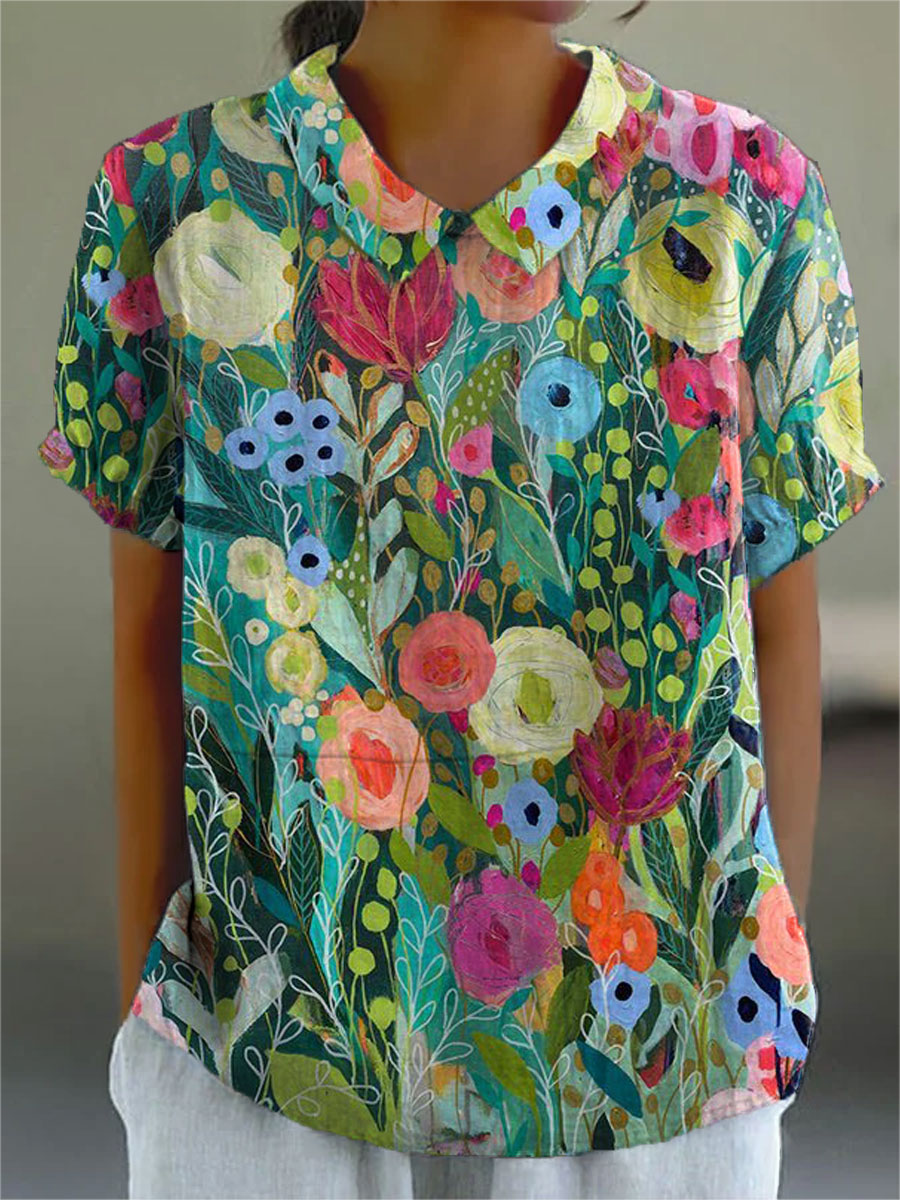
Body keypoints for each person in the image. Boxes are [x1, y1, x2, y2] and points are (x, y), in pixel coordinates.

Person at [36, 1, 884, 1198]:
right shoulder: (175, 203)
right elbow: (151, 650)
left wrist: (750, 1015)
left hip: (663, 1069)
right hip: (263, 1064)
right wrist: (161, 1051)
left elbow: (773, 640)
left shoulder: (744, 199)